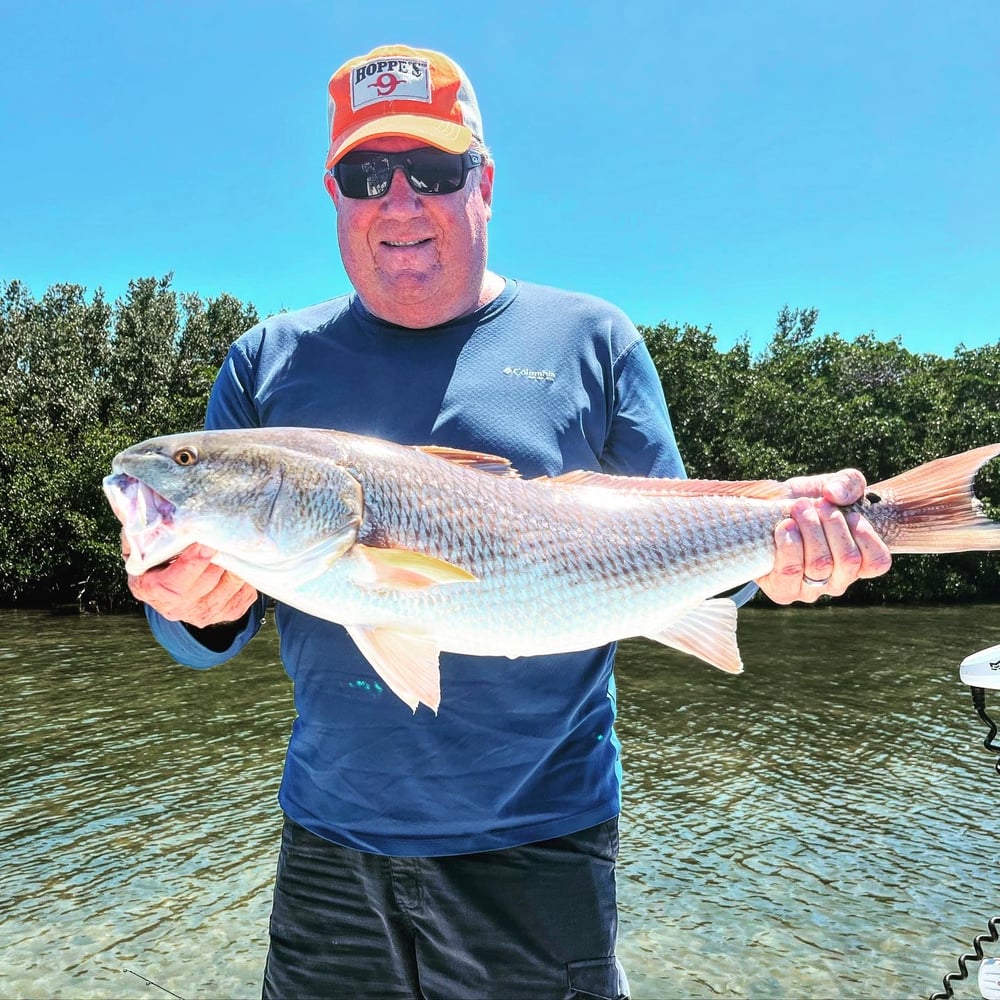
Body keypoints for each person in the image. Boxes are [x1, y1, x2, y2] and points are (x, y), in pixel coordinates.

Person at [123, 44, 892, 999]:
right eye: (366, 175)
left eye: (433, 172)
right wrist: (192, 608)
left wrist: (782, 558)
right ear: (334, 194)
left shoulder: (589, 339)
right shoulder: (264, 365)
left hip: (542, 844)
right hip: (329, 844)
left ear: (482, 181)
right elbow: (198, 637)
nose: (399, 203)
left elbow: (698, 555)